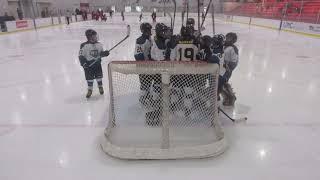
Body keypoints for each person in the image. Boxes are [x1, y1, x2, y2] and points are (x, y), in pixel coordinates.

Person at [78, 29, 110, 98]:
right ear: (90, 37)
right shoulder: (84, 45)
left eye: (96, 36)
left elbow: (100, 54)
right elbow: (81, 55)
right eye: (94, 36)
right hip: (88, 65)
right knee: (90, 78)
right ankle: (90, 90)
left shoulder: (99, 44)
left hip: (97, 64)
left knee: (99, 77)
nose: (96, 37)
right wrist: (84, 63)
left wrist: (105, 53)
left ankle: (100, 87)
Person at [134, 23, 153, 106]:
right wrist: (144, 63)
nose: (149, 31)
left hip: (149, 65)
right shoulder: (141, 40)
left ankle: (147, 96)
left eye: (149, 30)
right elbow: (137, 55)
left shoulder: (149, 39)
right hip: (143, 66)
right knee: (144, 83)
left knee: (148, 82)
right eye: (147, 30)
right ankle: (142, 98)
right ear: (144, 31)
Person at [220, 32, 238, 106]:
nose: (227, 39)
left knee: (223, 83)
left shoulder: (233, 48)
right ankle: (222, 96)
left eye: (229, 38)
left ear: (233, 40)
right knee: (219, 83)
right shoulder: (223, 45)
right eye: (227, 37)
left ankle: (231, 97)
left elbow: (234, 61)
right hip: (220, 68)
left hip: (226, 70)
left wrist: (229, 68)